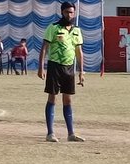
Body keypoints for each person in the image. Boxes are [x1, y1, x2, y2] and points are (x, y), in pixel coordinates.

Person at [38, 1, 84, 142]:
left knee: (68, 99)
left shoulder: (76, 30)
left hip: (69, 67)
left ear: (74, 13)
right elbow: (44, 47)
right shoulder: (53, 27)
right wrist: (41, 67)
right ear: (62, 12)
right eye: (66, 12)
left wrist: (81, 72)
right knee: (52, 97)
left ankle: (71, 134)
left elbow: (79, 52)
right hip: (54, 66)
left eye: (71, 12)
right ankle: (50, 133)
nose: (69, 15)